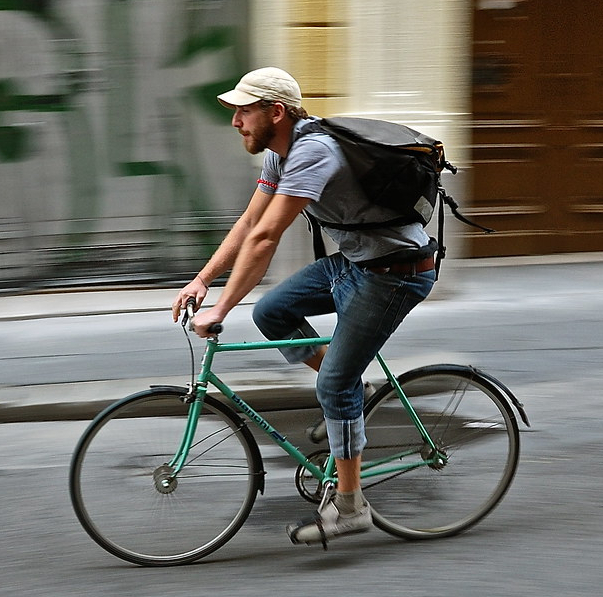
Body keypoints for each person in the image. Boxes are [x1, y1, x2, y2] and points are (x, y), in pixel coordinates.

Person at [171, 67, 436, 548]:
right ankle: (348, 385)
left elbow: (268, 237)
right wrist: (203, 280)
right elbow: (251, 223)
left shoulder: (313, 151)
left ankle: (352, 506)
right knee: (272, 313)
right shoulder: (280, 153)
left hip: (397, 274)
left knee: (334, 381)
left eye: (243, 111)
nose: (235, 122)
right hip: (357, 264)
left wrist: (221, 309)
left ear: (276, 112)